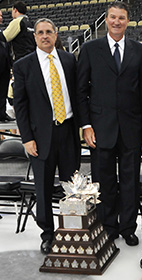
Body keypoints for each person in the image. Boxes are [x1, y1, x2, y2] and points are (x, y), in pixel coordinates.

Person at [77, 1, 142, 246]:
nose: (117, 21)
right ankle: (108, 226)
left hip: (131, 129)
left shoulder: (139, 51)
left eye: (122, 17)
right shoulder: (89, 49)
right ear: (106, 20)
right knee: (104, 182)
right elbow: (81, 91)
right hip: (100, 129)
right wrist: (86, 125)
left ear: (128, 21)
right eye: (112, 17)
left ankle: (128, 227)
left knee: (130, 183)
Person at [13, 18, 81, 254]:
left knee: (71, 186)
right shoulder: (23, 66)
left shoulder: (69, 59)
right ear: (34, 37)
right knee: (42, 187)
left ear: (55, 34)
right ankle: (48, 234)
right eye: (40, 32)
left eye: (48, 32)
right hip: (40, 137)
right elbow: (20, 106)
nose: (44, 36)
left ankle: (72, 230)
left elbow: (78, 94)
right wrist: (26, 138)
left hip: (69, 131)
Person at [0, 10, 13, 122]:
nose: (1, 18)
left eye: (1, 15)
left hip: (4, 67)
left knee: (3, 92)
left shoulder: (3, 33)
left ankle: (2, 114)